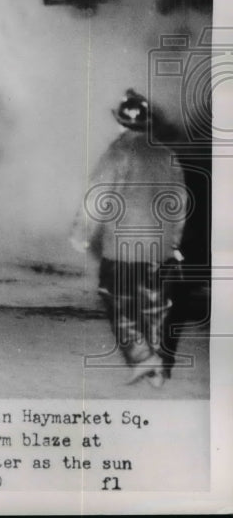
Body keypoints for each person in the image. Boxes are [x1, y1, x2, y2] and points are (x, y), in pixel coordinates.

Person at [70, 89, 188, 387]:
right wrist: (173, 242)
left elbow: (98, 196)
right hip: (159, 249)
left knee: (119, 303)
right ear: (148, 124)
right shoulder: (167, 154)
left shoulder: (117, 153)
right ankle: (158, 367)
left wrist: (82, 234)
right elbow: (180, 203)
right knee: (155, 306)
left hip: (122, 248)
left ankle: (142, 356)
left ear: (120, 124)